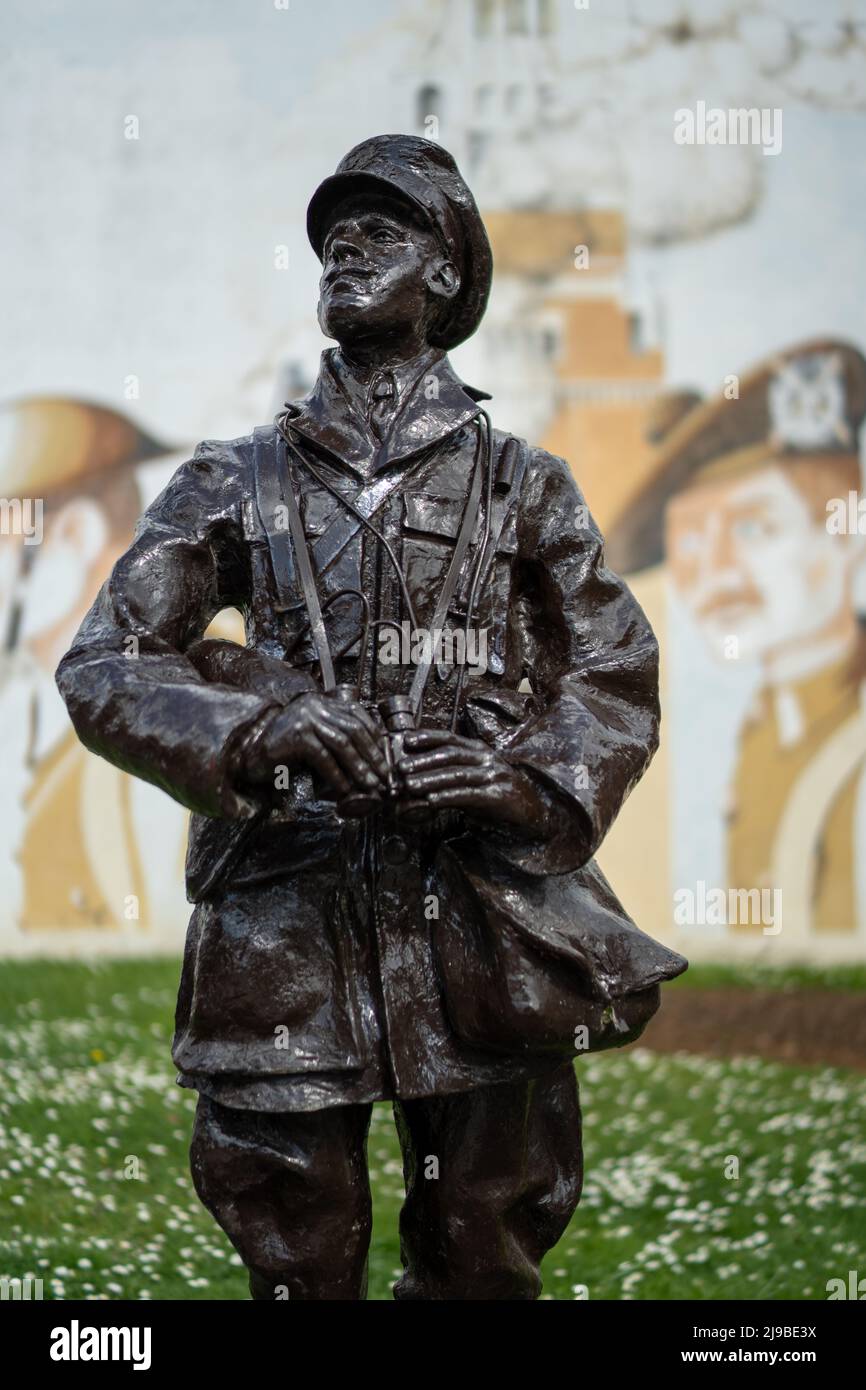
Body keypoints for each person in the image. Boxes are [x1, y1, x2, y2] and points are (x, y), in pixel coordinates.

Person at [57, 135, 685, 1300]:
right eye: (333, 236)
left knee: (485, 1238)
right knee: (294, 1242)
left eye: (380, 231)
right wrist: (256, 731)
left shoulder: (520, 483)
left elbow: (609, 668)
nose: (345, 247)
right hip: (284, 920)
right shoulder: (233, 477)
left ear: (444, 275)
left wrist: (515, 783)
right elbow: (105, 663)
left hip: (481, 917)